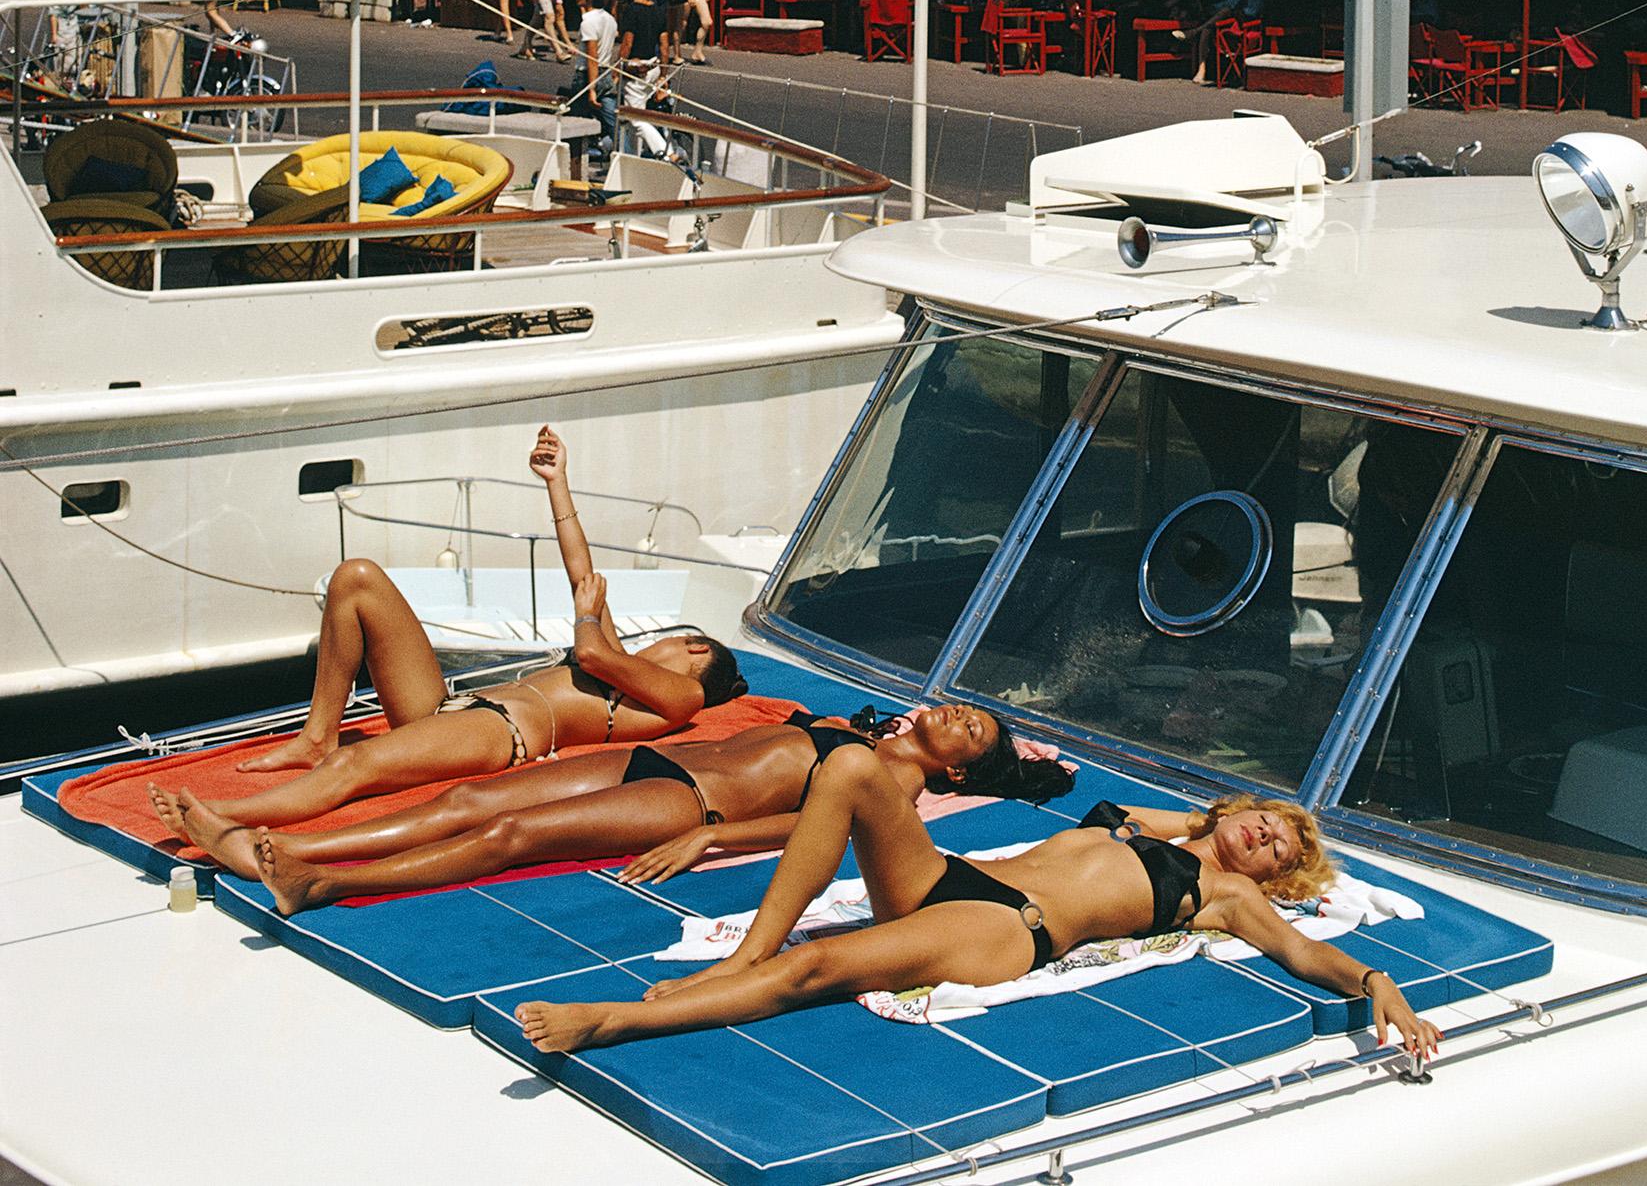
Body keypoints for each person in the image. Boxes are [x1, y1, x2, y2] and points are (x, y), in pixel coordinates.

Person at [514, 745, 1440, 1065]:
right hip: (948, 881)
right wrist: (1207, 815)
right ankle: (746, 950)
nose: (1262, 840)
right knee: (848, 769)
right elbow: (1120, 809)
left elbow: (1301, 955)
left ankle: (613, 1023)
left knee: (824, 967)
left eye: (1279, 848)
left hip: (1007, 930)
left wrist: (1373, 979)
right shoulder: (1154, 828)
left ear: (1274, 875)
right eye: (1265, 822)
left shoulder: (1226, 897)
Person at [147, 429, 745, 833]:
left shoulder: (684, 696)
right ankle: (317, 734)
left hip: (498, 733)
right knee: (356, 578)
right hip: (448, 708)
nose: (660, 638)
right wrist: (556, 480)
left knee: (356, 772)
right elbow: (580, 568)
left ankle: (224, 817)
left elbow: (589, 650)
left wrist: (588, 617)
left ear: (695, 649)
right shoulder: (624, 660)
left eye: (676, 637)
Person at [162, 698, 1068, 917]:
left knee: (508, 835)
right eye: (963, 708)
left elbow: (808, 828)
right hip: (651, 759)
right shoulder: (860, 729)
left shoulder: (900, 785)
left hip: (685, 799)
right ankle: (268, 838)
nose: (955, 715)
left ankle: (323, 883)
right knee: (470, 796)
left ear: (954, 773)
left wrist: (710, 837)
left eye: (971, 731)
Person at [574, 0, 621, 145]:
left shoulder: (588, 22)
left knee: (575, 124)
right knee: (613, 123)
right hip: (605, 74)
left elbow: (592, 57)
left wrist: (591, 89)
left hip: (587, 77)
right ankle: (626, 152)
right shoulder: (610, 20)